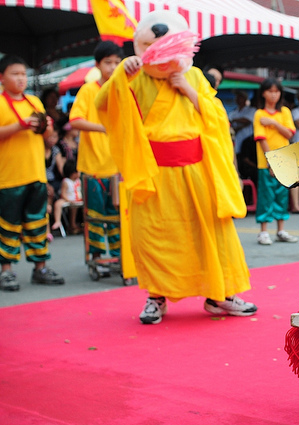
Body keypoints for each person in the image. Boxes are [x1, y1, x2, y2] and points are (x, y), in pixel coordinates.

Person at [95, 10, 256, 324]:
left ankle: (220, 294)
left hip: (197, 170)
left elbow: (217, 118)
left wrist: (189, 89)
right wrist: (119, 76)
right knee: (155, 236)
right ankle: (156, 297)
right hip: (153, 173)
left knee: (211, 233)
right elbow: (104, 105)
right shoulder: (135, 76)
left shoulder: (193, 75)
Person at [0, 55, 65, 291]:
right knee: (9, 225)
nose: (20, 78)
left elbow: (49, 141)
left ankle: (41, 268)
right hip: (8, 177)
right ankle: (6, 271)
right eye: (15, 74)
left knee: (38, 223)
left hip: (36, 173)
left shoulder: (35, 103)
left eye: (23, 74)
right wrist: (20, 125)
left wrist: (46, 129)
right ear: (2, 78)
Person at [69, 40, 123, 261]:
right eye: (108, 62)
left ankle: (122, 257)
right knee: (95, 216)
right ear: (98, 65)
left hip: (118, 166)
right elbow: (75, 120)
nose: (112, 67)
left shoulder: (123, 90)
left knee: (118, 215)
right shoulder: (88, 90)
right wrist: (103, 127)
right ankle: (98, 257)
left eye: (117, 62)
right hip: (93, 167)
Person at [253, 77, 299, 246]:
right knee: (266, 195)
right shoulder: (259, 113)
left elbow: (289, 134)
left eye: (276, 91)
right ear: (263, 93)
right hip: (265, 162)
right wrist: (271, 160)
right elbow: (261, 138)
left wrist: (272, 122)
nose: (274, 95)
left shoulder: (284, 112)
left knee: (282, 194)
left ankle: (281, 230)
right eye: (270, 91)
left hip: (284, 160)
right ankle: (263, 231)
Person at [51, 160, 83, 234]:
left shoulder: (78, 181)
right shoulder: (66, 181)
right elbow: (63, 193)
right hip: (67, 199)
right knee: (58, 204)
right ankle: (57, 221)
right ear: (72, 173)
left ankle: (73, 224)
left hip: (77, 199)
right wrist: (68, 200)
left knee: (75, 208)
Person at [228, 90, 256, 156]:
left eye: (240, 97)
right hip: (237, 140)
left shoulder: (251, 110)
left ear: (245, 98)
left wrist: (234, 120)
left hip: (248, 140)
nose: (237, 99)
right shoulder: (233, 112)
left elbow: (247, 120)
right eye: (237, 97)